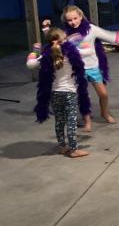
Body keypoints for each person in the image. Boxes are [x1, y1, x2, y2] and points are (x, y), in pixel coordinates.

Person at [60, 5, 119, 131]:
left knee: (103, 94)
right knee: (83, 96)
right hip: (77, 69)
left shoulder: (91, 29)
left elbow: (110, 36)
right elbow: (54, 42)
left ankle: (105, 113)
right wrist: (46, 29)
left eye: (75, 18)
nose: (73, 22)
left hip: (93, 67)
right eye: (69, 20)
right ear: (65, 21)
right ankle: (87, 121)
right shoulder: (65, 33)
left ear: (80, 16)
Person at [27, 28, 91, 158]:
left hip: (54, 93)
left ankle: (62, 147)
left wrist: (34, 52)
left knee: (60, 120)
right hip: (69, 92)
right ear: (64, 39)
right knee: (71, 121)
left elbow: (30, 65)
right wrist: (82, 43)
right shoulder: (71, 52)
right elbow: (89, 51)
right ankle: (73, 150)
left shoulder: (46, 55)